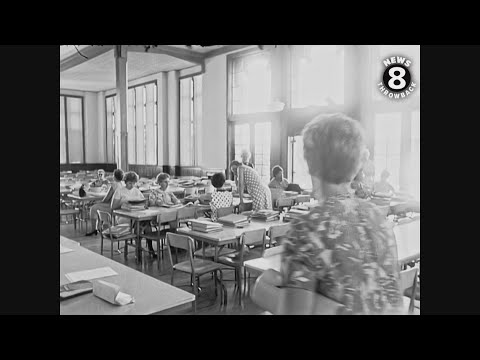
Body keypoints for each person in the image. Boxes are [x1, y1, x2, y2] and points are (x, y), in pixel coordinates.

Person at [260, 113, 403, 315]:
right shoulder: (379, 219)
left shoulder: (308, 229)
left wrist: (263, 290)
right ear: (357, 165)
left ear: (310, 164)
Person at [110, 171, 156, 257]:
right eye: (130, 183)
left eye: (134, 183)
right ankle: (139, 249)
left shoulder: (137, 191)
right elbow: (113, 207)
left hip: (136, 214)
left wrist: (145, 204)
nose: (132, 185)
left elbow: (144, 203)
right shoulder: (119, 191)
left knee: (146, 223)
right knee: (138, 224)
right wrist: (123, 202)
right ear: (125, 182)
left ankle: (149, 248)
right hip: (122, 216)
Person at [86, 169, 124, 236]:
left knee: (93, 208)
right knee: (96, 206)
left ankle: (94, 229)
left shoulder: (114, 185)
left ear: (114, 176)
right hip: (119, 206)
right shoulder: (122, 184)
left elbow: (106, 199)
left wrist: (99, 202)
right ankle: (99, 227)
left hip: (112, 207)